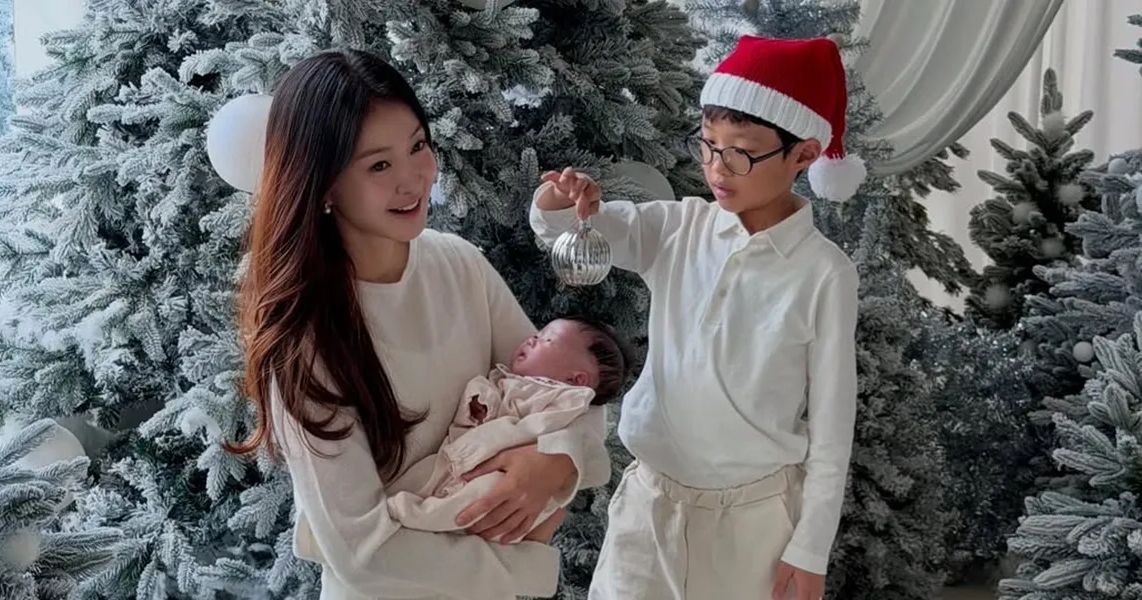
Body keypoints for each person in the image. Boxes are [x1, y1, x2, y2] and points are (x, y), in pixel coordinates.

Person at [227, 50, 611, 600]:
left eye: (418, 147)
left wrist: (558, 462)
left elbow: (572, 388)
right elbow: (362, 553)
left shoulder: (457, 262)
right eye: (378, 165)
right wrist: (526, 565)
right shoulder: (305, 337)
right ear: (323, 185)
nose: (414, 180)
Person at [528, 35, 863, 600]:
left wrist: (810, 546)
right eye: (707, 145)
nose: (717, 167)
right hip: (648, 508)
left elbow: (832, 427)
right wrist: (565, 203)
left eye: (741, 151)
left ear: (804, 155)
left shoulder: (824, 275)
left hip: (753, 528)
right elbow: (576, 231)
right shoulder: (679, 228)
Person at [386, 317, 633, 542]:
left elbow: (550, 431)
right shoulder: (511, 380)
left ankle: (421, 516)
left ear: (576, 380)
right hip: (467, 458)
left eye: (547, 339)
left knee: (485, 494)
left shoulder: (565, 400)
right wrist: (479, 405)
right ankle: (399, 502)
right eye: (537, 334)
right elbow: (493, 400)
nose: (532, 339)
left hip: (510, 479)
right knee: (428, 474)